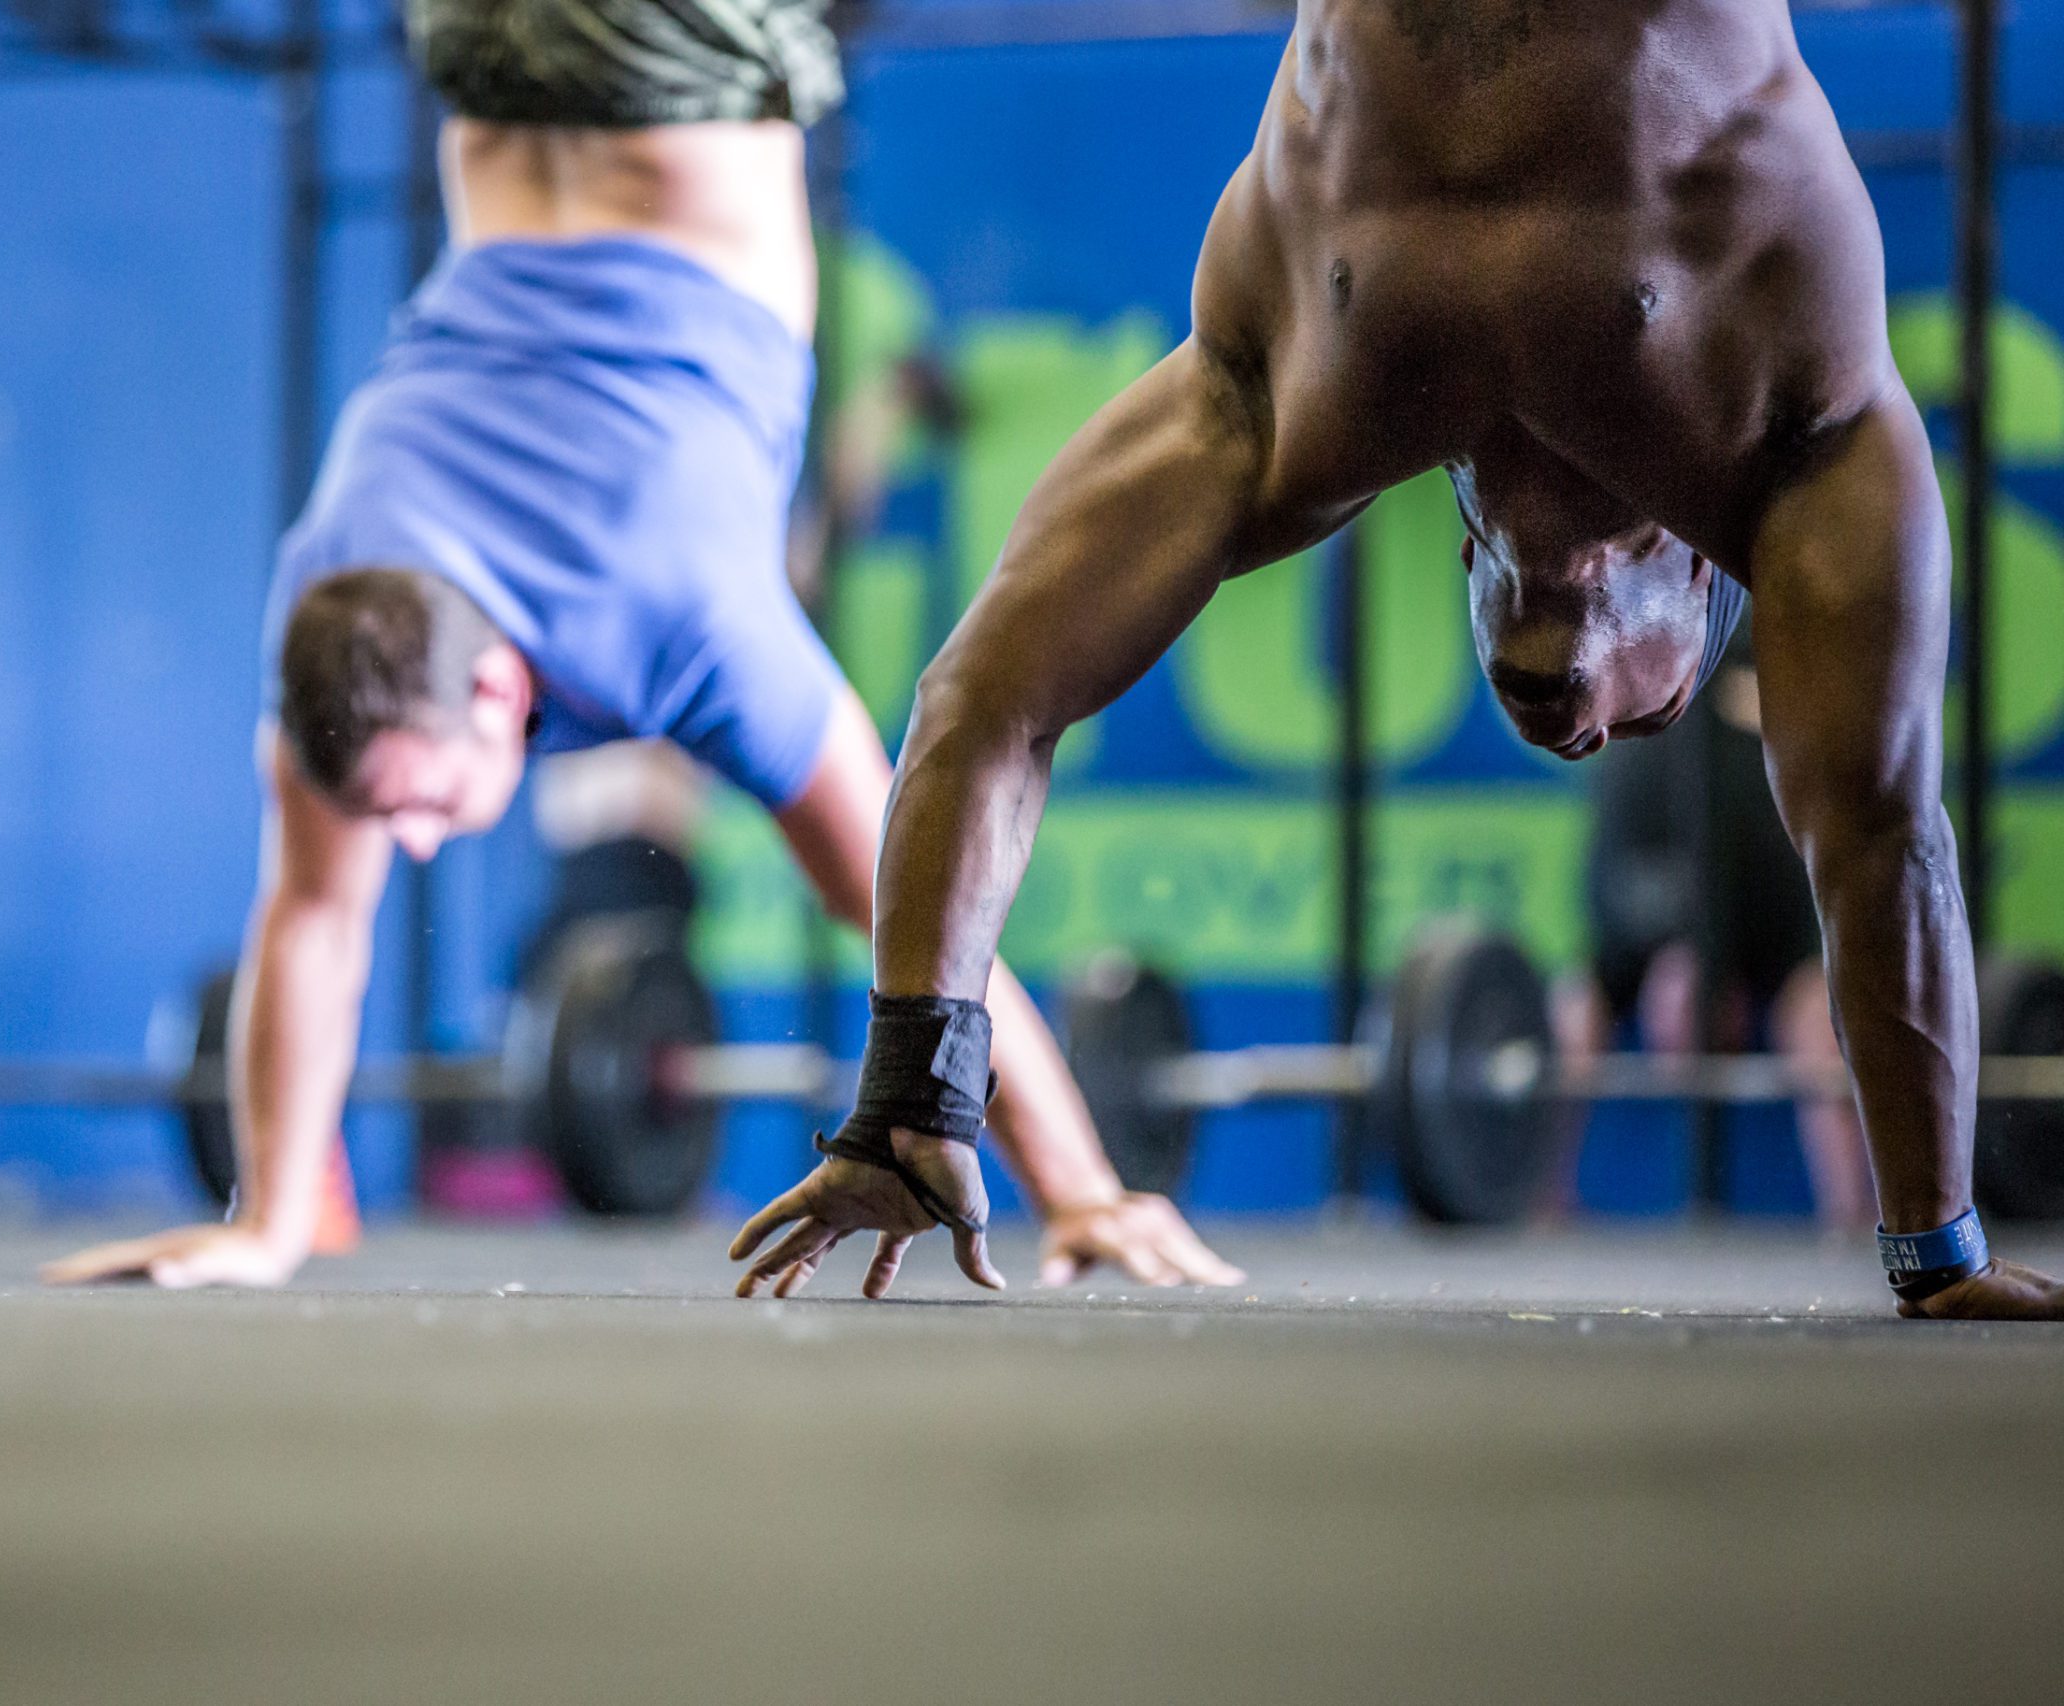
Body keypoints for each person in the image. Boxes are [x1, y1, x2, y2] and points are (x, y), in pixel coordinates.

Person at [731, 0, 2062, 1318]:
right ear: (1703, 571)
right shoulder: (1795, 406)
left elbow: (983, 703)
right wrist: (1936, 1248)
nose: (1583, 738)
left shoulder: (1305, 389)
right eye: (1639, 721)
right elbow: (1881, 832)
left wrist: (915, 1091)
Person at [44, 0, 1237, 1293]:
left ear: (502, 685)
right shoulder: (338, 620)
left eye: (428, 802)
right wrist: (264, 1227)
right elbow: (316, 920)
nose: (422, 839)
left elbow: (922, 919)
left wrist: (1083, 1191)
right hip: (488, 77)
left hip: (686, 89)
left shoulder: (683, 620)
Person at [1556, 631, 1869, 1230]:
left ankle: (1852, 1219)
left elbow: (1801, 903)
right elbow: (1603, 886)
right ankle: (1539, 1207)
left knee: (1818, 1024)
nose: (1694, 1042)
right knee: (1571, 1013)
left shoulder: (1766, 886)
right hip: (1662, 922)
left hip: (1756, 920)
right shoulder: (1623, 928)